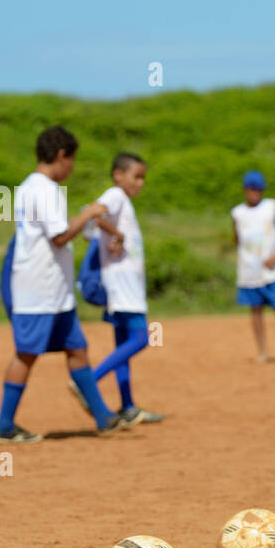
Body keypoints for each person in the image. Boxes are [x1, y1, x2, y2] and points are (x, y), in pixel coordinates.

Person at [0, 125, 125, 444]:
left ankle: (103, 417)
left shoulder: (30, 186)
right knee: (26, 354)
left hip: (55, 292)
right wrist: (90, 213)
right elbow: (60, 235)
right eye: (72, 160)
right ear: (62, 155)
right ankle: (4, 425)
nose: (72, 167)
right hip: (37, 290)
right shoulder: (44, 189)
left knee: (77, 349)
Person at [77, 153, 164, 426]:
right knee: (141, 339)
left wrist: (113, 233)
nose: (140, 183)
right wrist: (117, 234)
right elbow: (90, 212)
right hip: (123, 288)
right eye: (136, 176)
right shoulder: (115, 195)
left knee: (122, 345)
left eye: (143, 178)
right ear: (118, 175)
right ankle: (88, 382)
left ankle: (127, 407)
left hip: (123, 286)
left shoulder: (121, 200)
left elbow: (93, 223)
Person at [231, 170, 275, 363]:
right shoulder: (237, 213)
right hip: (249, 272)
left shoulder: (272, 207)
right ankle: (262, 351)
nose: (254, 193)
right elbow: (237, 239)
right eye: (251, 189)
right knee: (256, 311)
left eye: (258, 189)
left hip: (271, 272)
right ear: (245, 190)